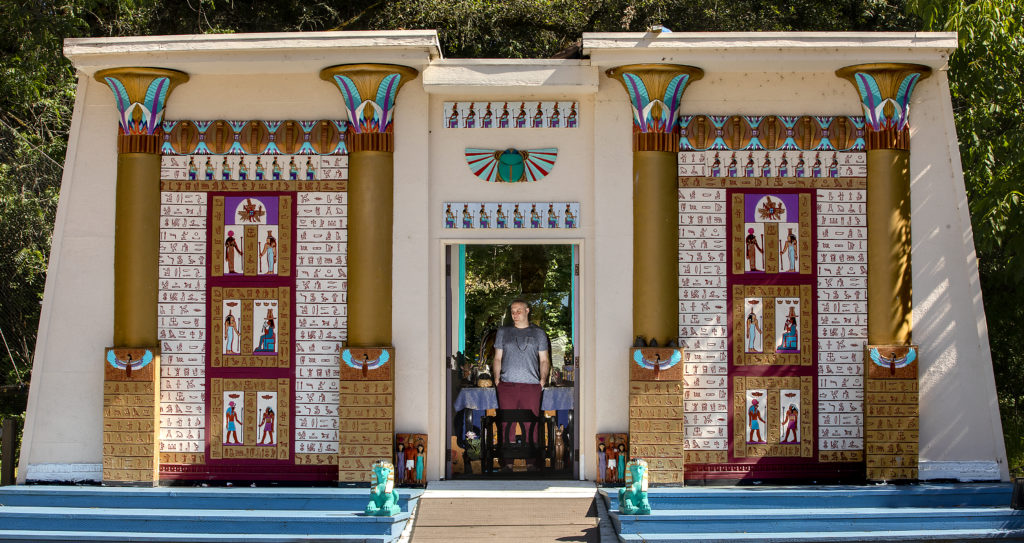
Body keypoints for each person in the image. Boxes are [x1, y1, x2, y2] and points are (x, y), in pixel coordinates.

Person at [492, 299, 550, 470]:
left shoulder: (538, 333)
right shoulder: (503, 332)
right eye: (512, 311)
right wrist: (497, 379)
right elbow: (497, 358)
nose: (515, 314)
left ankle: (532, 463)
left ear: (527, 311)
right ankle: (507, 463)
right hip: (507, 385)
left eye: (518, 310)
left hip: (531, 386)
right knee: (506, 424)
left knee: (531, 424)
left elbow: (544, 360)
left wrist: (542, 380)